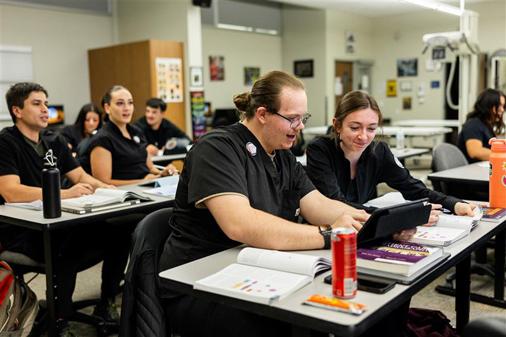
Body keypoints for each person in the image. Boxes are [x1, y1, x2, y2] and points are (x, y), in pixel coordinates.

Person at [158, 71, 423, 337]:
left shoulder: (282, 156)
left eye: (303, 118)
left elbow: (318, 204)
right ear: (262, 114)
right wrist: (329, 234)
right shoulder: (217, 148)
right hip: (201, 283)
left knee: (361, 306)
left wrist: (377, 223)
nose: (301, 127)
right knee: (304, 322)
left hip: (257, 269)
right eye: (292, 118)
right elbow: (240, 225)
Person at [0, 82, 128, 336]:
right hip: (21, 230)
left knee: (119, 233)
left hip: (57, 223)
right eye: (37, 104)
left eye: (46, 103)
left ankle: (107, 303)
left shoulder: (54, 141)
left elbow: (81, 176)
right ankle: (60, 320)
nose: (45, 109)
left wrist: (109, 189)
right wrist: (65, 193)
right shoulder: (6, 143)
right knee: (68, 244)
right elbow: (11, 192)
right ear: (17, 110)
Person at [306, 90, 476, 220]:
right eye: (355, 127)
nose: (364, 136)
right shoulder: (319, 150)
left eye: (371, 128)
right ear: (337, 125)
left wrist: (453, 204)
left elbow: (412, 187)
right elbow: (335, 203)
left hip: (364, 223)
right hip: (331, 227)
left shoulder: (379, 152)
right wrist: (401, 216)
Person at [83, 86, 177, 186]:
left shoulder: (136, 131)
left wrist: (163, 173)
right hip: (126, 196)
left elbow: (150, 168)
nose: (127, 108)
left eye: (130, 103)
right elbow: (103, 183)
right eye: (120, 103)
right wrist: (144, 182)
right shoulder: (102, 139)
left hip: (149, 189)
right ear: (107, 108)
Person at [457, 88, 505, 163]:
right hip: (470, 171)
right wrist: (502, 155)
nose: (502, 110)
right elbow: (475, 152)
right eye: (499, 105)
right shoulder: (473, 124)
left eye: (503, 106)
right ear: (488, 105)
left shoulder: (486, 125)